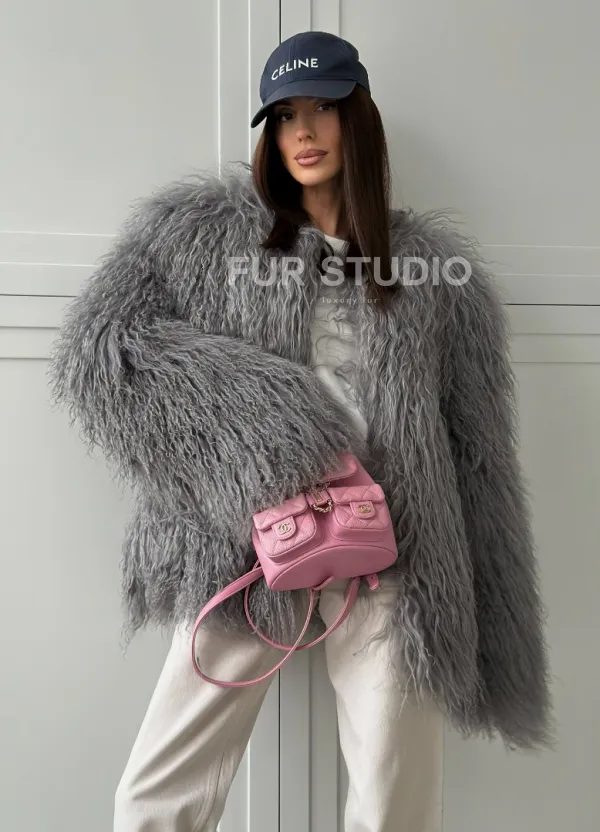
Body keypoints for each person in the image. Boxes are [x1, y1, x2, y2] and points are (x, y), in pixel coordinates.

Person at [48, 29, 552, 832]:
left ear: (359, 120)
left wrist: (492, 617)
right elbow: (105, 349)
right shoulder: (201, 237)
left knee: (395, 801)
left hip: (394, 549)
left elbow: (477, 451)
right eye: (284, 115)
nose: (304, 131)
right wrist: (273, 427)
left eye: (323, 108)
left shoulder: (434, 275)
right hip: (246, 538)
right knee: (156, 795)